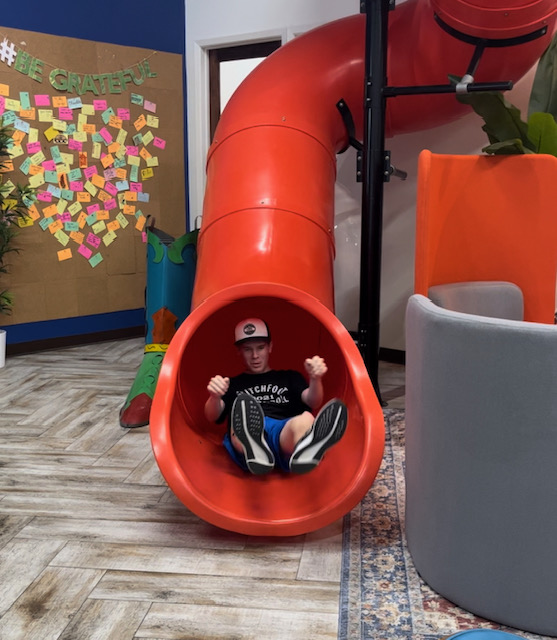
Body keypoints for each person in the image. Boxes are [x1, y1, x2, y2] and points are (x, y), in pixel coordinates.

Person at [204, 317, 348, 475]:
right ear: (239, 351)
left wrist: (315, 378)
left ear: (270, 347)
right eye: (247, 349)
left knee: (305, 419)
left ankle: (306, 449)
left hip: (283, 432)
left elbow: (313, 401)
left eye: (260, 348)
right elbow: (212, 415)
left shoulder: (290, 377)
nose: (255, 355)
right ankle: (255, 447)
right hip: (247, 431)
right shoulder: (231, 383)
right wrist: (215, 396)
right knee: (242, 417)